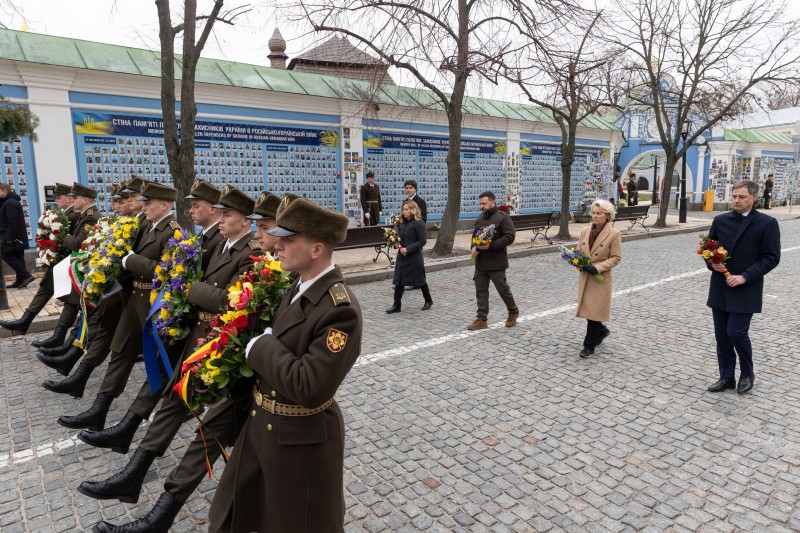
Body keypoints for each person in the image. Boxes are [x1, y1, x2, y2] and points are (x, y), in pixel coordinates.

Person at [87, 192, 283, 533]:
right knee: (173, 402)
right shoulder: (221, 246)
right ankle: (134, 473)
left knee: (209, 437)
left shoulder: (252, 253)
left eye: (228, 214)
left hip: (227, 351)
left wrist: (188, 287)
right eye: (219, 213)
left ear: (245, 220)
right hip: (199, 339)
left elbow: (228, 300)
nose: (221, 219)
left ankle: (158, 508)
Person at [208, 197, 362, 533]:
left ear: (317, 249)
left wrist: (261, 347)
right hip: (262, 423)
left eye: (289, 239)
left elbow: (311, 386)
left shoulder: (340, 308)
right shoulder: (297, 284)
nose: (278, 245)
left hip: (300, 441)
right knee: (232, 515)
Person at [57, 182, 182, 432]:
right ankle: (98, 410)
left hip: (153, 305)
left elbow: (165, 271)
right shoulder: (145, 224)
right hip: (132, 298)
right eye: (143, 202)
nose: (143, 206)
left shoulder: (173, 232)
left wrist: (131, 261)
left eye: (148, 203)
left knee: (163, 363)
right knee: (120, 352)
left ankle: (180, 407)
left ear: (165, 205)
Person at [706, 180, 780, 395]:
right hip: (720, 287)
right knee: (722, 335)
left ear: (753, 198)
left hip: (746, 288)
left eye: (742, 197)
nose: (736, 201)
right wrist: (712, 263)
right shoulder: (720, 220)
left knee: (736, 332)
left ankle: (747, 373)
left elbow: (771, 257)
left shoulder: (767, 223)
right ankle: (726, 376)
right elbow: (708, 248)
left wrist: (746, 276)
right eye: (734, 196)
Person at [0, 183, 79, 335]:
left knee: (71, 302)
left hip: (68, 263)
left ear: (69, 199)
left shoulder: (75, 215)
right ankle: (26, 321)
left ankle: (60, 336)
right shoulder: (66, 213)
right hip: (59, 262)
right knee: (45, 290)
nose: (56, 200)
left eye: (59, 197)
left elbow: (75, 241)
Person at [574, 199, 622, 358]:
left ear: (607, 216)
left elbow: (615, 258)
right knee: (589, 310)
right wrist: (577, 260)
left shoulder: (614, 234)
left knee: (593, 312)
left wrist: (597, 267)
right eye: (593, 213)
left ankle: (589, 345)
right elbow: (579, 250)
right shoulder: (585, 230)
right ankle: (602, 331)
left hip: (599, 277)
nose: (595, 216)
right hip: (586, 276)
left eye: (598, 213)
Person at [467, 191, 519, 331]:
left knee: (503, 289)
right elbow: (474, 237)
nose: (482, 206)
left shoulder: (503, 218)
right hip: (481, 262)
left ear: (492, 202)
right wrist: (473, 247)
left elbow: (510, 236)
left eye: (484, 204)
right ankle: (482, 319)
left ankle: (513, 311)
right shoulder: (480, 219)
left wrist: (491, 245)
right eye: (480, 204)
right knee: (481, 290)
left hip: (496, 262)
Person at [385, 200, 432, 313]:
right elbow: (399, 239)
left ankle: (428, 300)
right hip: (402, 256)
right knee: (399, 280)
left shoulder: (418, 223)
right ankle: (397, 305)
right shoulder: (401, 223)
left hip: (414, 257)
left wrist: (408, 249)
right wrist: (396, 245)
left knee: (420, 280)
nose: (404, 211)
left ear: (413, 210)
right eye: (403, 209)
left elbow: (422, 241)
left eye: (406, 209)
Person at [0, 182, 34, 288]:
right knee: (18, 257)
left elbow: (12, 221)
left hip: (12, 236)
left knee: (6, 255)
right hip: (17, 236)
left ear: (4, 190)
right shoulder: (9, 201)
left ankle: (26, 276)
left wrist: (9, 238)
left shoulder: (10, 203)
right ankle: (20, 280)